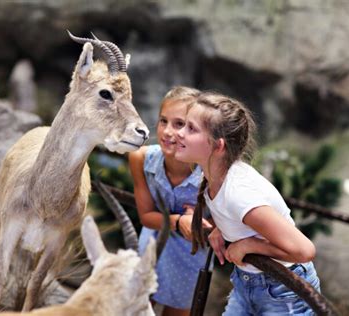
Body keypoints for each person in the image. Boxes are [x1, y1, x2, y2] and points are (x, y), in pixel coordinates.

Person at [174, 91, 321, 315]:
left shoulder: (239, 194)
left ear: (218, 146)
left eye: (191, 128)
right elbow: (225, 209)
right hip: (248, 281)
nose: (179, 133)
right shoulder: (211, 174)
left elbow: (304, 250)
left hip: (285, 288)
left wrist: (250, 245)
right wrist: (221, 229)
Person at [129, 86, 214, 316]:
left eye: (179, 124)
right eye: (163, 121)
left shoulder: (211, 174)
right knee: (134, 307)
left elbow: (221, 225)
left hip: (191, 256)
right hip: (153, 244)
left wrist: (200, 222)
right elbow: (146, 217)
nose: (167, 131)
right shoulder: (142, 159)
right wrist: (180, 221)